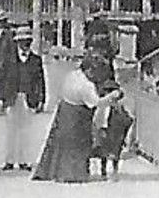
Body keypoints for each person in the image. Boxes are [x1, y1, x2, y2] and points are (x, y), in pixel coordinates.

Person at [33, 54, 123, 183]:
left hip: (64, 110)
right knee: (78, 145)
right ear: (89, 70)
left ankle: (54, 171)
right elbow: (96, 102)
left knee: (59, 144)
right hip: (77, 116)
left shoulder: (73, 74)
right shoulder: (86, 85)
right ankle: (74, 174)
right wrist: (112, 96)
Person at [0, 27, 46, 170]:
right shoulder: (9, 60)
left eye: (28, 42)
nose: (25, 45)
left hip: (28, 98)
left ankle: (24, 160)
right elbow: (2, 78)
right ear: (17, 43)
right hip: (12, 96)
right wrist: (0, 97)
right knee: (11, 130)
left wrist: (41, 99)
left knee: (26, 130)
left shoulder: (36, 60)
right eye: (22, 42)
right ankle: (9, 160)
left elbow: (40, 81)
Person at [91, 80, 134, 178]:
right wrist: (99, 129)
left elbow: (128, 118)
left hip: (116, 130)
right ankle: (104, 171)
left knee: (115, 151)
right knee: (104, 152)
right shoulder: (104, 105)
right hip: (107, 130)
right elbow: (98, 118)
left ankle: (114, 170)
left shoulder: (120, 105)